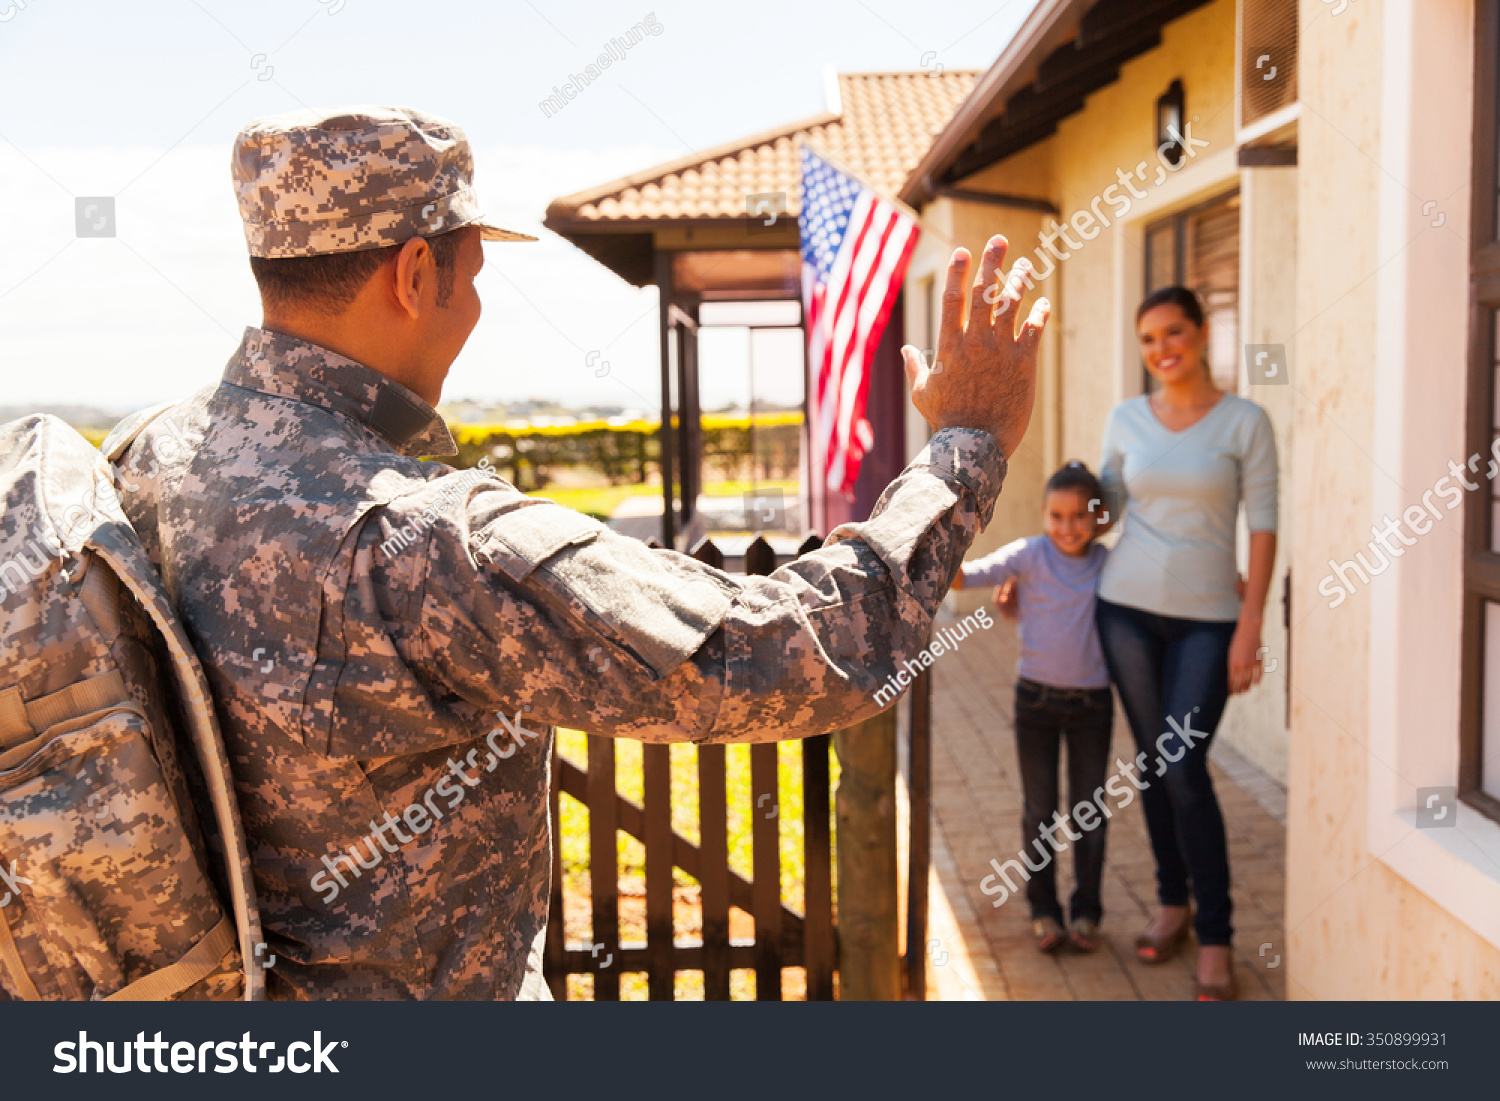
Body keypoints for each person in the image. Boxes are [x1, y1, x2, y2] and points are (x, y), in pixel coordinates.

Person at [102, 105, 1051, 999]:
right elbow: (803, 652)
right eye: (472, 276)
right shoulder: (427, 540)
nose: (472, 306)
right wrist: (965, 444)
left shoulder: (148, 456)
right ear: (414, 273)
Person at [1094, 285, 1278, 1001]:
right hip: (1126, 610)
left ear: (1202, 334)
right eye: (1147, 339)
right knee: (1153, 764)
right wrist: (1040, 562)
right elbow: (1101, 509)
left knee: (1184, 769)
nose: (1161, 349)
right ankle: (1173, 900)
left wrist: (1251, 625)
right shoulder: (1125, 419)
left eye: (1173, 332)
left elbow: (1263, 526)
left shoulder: (1245, 421)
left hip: (1209, 620)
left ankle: (1218, 934)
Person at [953, 461, 1111, 953]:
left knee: (1089, 811)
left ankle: (1086, 912)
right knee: (1039, 810)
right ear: (1044, 514)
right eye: (1057, 516)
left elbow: (1158, 581)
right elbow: (964, 579)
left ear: (1098, 517)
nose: (1068, 527)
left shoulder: (1110, 563)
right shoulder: (1030, 555)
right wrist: (945, 533)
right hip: (1035, 704)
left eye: (1079, 516)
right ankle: (1044, 910)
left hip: (1092, 706)